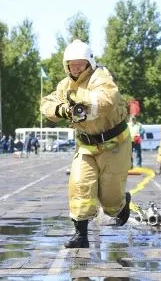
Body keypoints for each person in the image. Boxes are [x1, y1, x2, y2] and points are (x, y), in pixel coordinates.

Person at [40, 39, 132, 249]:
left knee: (110, 201)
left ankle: (121, 204)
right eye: (72, 64)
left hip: (114, 144)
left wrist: (82, 106)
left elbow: (106, 99)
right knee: (79, 185)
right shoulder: (65, 85)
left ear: (89, 63)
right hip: (85, 146)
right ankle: (80, 235)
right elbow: (46, 104)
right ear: (66, 65)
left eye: (80, 63)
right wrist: (62, 110)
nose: (76, 67)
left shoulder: (101, 77)